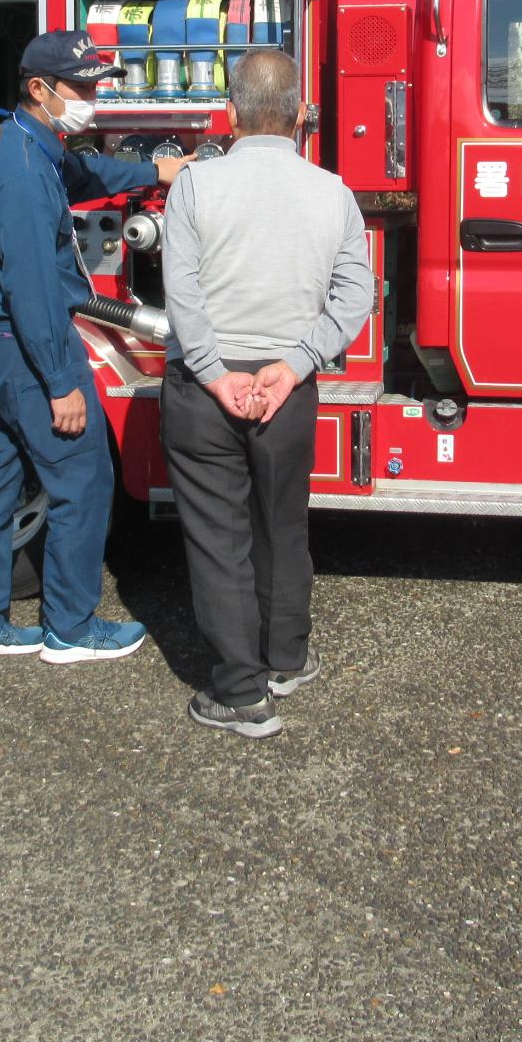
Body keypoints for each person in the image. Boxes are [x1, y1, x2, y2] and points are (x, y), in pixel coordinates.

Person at [0, 31, 186, 663]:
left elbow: (85, 171)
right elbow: (31, 290)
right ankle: (71, 630)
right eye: (81, 87)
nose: (92, 98)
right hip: (28, 347)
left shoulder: (26, 146)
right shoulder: (24, 174)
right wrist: (59, 381)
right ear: (39, 89)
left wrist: (157, 169)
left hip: (0, 348)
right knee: (82, 480)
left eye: (97, 84)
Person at [158, 49, 372, 737]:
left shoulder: (194, 187)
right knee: (282, 525)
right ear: (303, 115)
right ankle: (286, 658)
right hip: (288, 386)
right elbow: (355, 295)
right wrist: (298, 361)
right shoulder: (333, 191)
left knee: (219, 539)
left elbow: (182, 292)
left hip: (205, 386)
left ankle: (242, 693)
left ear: (229, 113)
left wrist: (216, 372)